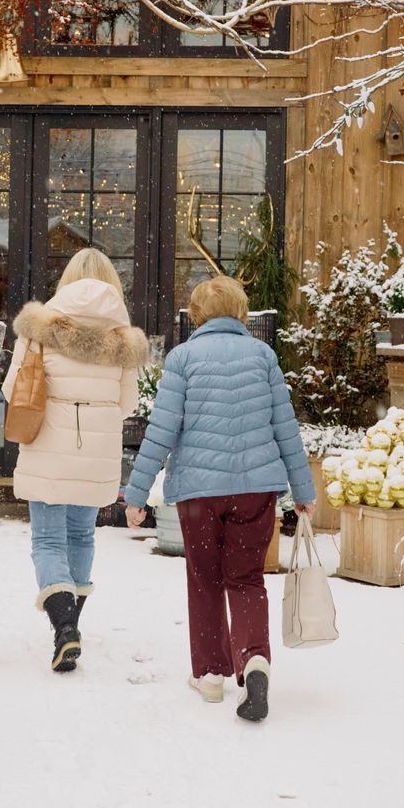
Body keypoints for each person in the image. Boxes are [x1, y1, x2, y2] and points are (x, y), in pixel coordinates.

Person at [122, 276, 314, 722]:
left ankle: (210, 675)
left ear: (197, 315)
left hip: (198, 493)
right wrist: (302, 491)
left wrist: (136, 493)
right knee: (246, 578)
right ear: (241, 312)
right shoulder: (263, 356)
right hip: (255, 490)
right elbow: (285, 427)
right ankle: (254, 661)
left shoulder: (183, 358)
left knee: (205, 578)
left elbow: (162, 431)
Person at [1, 247, 149, 673]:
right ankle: (69, 628)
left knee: (48, 540)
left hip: (48, 445)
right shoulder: (123, 337)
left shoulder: (40, 327)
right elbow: (127, 403)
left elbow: (15, 390)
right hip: (96, 452)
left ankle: (64, 628)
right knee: (81, 536)